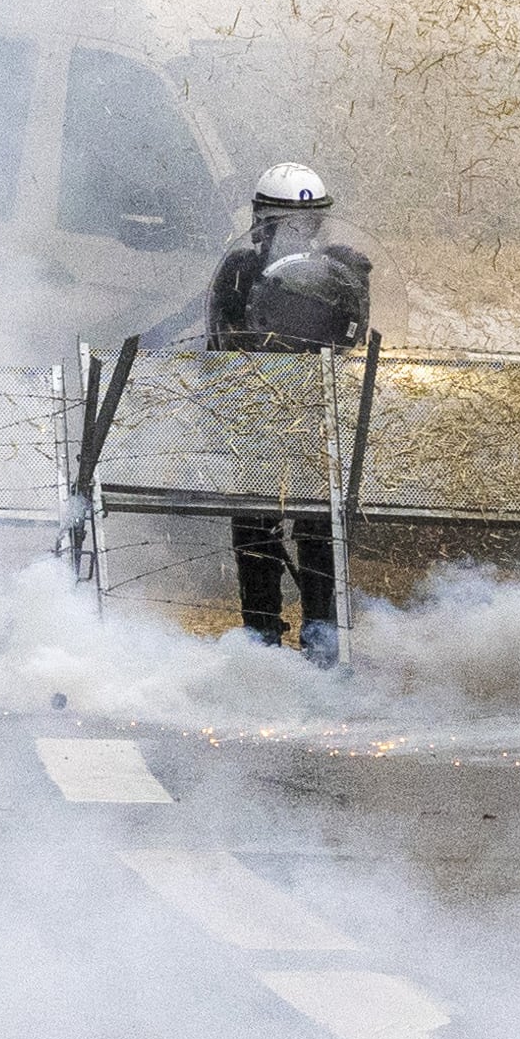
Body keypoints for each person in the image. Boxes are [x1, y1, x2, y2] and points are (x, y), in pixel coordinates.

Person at [208, 162, 370, 665]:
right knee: (256, 531)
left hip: (315, 415)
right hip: (253, 414)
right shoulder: (238, 270)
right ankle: (261, 642)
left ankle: (322, 645)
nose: (300, 231)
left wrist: (356, 280)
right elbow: (221, 343)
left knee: (320, 530)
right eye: (287, 221)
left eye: (309, 221)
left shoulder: (340, 271)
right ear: (263, 220)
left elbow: (353, 339)